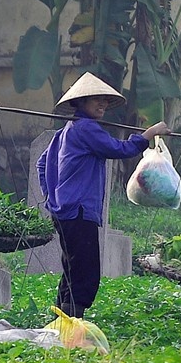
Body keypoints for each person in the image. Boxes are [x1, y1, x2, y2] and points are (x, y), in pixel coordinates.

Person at [37, 72, 171, 319]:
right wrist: (148, 134)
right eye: (95, 99)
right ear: (80, 103)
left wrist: (52, 197)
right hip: (78, 211)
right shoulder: (86, 129)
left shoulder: (66, 131)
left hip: (65, 210)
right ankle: (72, 323)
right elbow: (117, 149)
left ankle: (62, 320)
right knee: (85, 271)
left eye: (105, 101)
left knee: (73, 268)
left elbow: (42, 164)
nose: (102, 105)